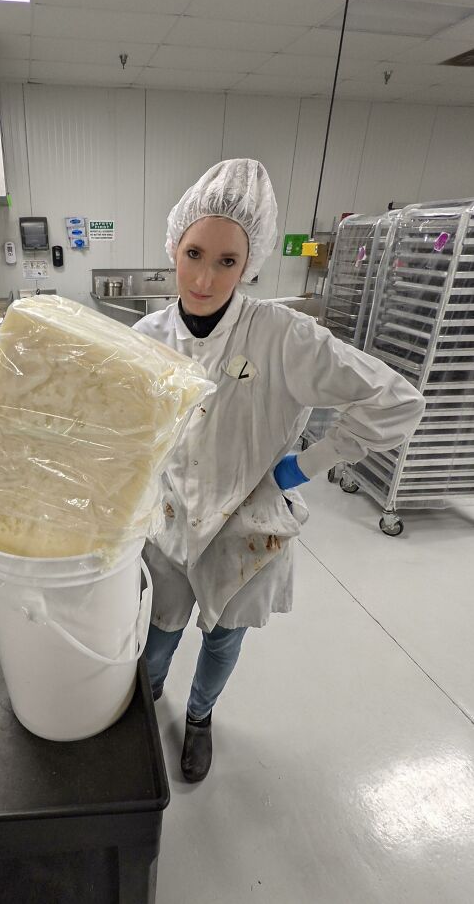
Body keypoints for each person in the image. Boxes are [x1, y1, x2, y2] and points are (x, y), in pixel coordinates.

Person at [133, 159, 425, 783]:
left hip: (248, 524)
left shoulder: (283, 336)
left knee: (224, 635)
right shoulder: (148, 335)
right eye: (194, 254)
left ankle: (200, 717)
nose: (204, 277)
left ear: (251, 264)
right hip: (169, 518)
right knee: (161, 628)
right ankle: (144, 704)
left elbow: (398, 401)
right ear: (174, 246)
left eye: (227, 261)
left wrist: (305, 465)